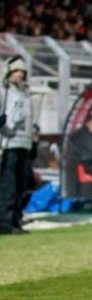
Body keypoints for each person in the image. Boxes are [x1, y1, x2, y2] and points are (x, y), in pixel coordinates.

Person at [0, 55, 35, 234]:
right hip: (9, 144)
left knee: (22, 185)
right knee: (9, 185)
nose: (20, 75)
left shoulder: (25, 93)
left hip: (24, 144)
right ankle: (5, 222)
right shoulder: (4, 91)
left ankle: (15, 220)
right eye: (16, 71)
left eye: (22, 72)